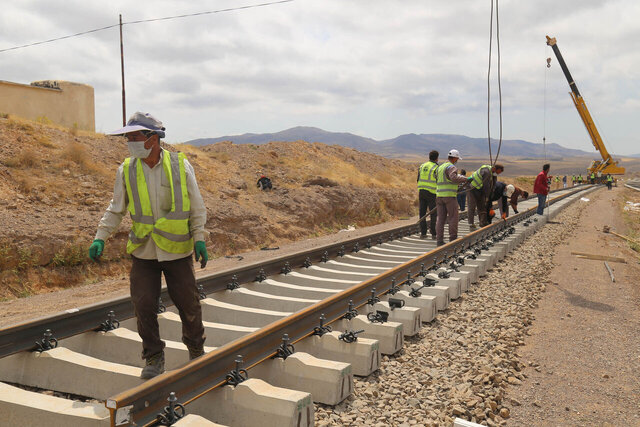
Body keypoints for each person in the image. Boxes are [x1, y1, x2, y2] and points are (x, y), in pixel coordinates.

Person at [88, 112, 208, 379]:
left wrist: (199, 238)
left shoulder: (180, 165)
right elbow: (116, 209)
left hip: (177, 250)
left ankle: (197, 350)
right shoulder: (127, 169)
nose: (129, 142)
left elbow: (196, 206)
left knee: (188, 304)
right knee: (143, 304)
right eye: (128, 137)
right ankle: (153, 357)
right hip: (144, 249)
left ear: (153, 138)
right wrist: (100, 236)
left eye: (134, 136)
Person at [435, 149, 469, 246]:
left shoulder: (440, 167)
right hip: (449, 196)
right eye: (457, 158)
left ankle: (439, 240)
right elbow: (453, 178)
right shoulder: (451, 167)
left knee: (440, 219)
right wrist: (466, 179)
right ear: (454, 158)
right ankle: (453, 239)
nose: (457, 160)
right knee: (453, 217)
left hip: (439, 196)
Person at [468, 163, 504, 228]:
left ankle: (482, 222)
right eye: (499, 172)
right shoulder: (487, 172)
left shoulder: (491, 172)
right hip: (473, 188)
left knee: (482, 206)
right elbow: (486, 186)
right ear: (496, 169)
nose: (499, 174)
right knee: (472, 206)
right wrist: (487, 197)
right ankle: (471, 223)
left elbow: (491, 185)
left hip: (480, 189)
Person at [417, 150, 439, 239]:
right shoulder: (436, 167)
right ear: (437, 158)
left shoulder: (422, 166)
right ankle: (433, 232)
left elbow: (418, 178)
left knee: (422, 212)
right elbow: (439, 180)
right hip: (432, 192)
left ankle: (423, 232)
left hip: (421, 191)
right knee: (433, 213)